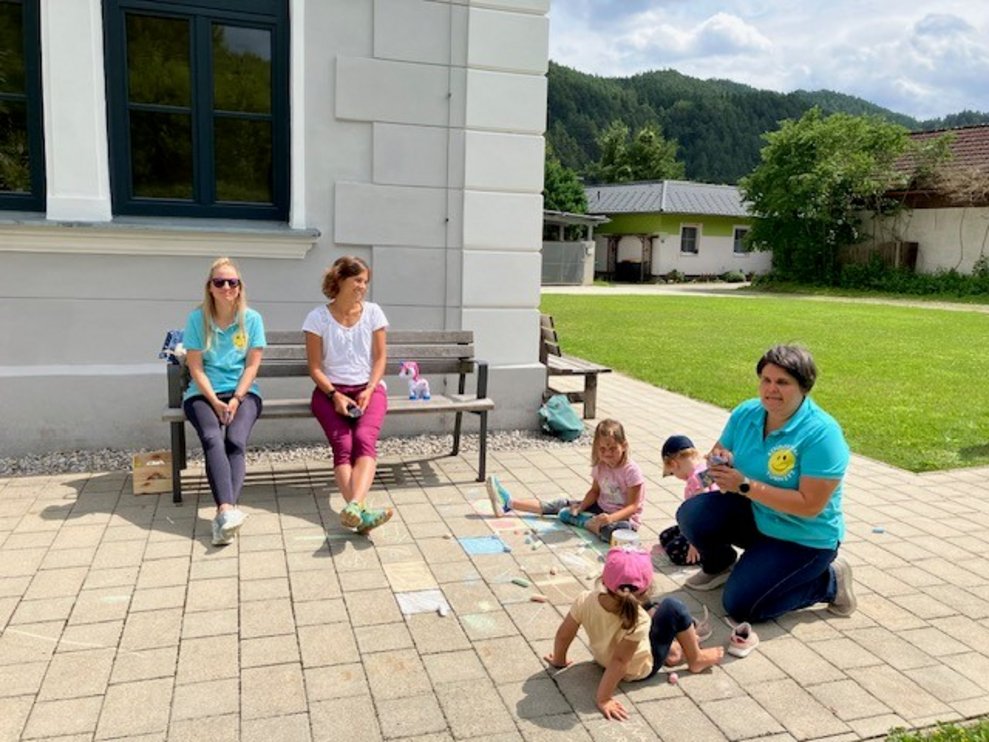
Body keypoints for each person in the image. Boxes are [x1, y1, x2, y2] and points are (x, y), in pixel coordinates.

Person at [676, 344, 856, 623]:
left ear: (804, 387)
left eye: (783, 382)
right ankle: (721, 566)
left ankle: (830, 581)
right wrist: (717, 464)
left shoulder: (822, 434)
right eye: (766, 380)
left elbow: (811, 506)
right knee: (692, 513)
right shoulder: (747, 413)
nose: (771, 389)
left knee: (742, 606)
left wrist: (744, 485)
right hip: (759, 517)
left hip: (804, 538)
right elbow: (718, 454)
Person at [544, 547, 724, 721]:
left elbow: (564, 634)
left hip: (602, 659)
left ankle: (674, 650)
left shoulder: (585, 599)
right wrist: (604, 698)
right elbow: (620, 661)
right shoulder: (638, 620)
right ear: (646, 588)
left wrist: (559, 660)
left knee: (654, 611)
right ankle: (696, 658)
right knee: (673, 607)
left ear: (604, 580)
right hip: (639, 670)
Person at [303, 256, 392, 534]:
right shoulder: (317, 318)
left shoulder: (374, 313)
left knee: (364, 439)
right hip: (330, 393)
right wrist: (335, 395)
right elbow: (315, 368)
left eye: (365, 281)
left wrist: (369, 388)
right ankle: (361, 514)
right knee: (343, 445)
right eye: (357, 280)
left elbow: (380, 359)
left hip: (369, 389)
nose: (362, 287)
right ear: (339, 280)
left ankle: (354, 506)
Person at [182, 257, 265, 546]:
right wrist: (215, 401)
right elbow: (196, 368)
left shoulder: (252, 319)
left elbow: (252, 367)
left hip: (244, 393)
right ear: (210, 287)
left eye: (233, 282)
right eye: (220, 282)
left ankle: (225, 516)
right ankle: (227, 511)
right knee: (212, 437)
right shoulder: (197, 319)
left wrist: (237, 398)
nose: (227, 287)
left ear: (240, 287)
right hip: (203, 394)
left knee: (236, 441)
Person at [486, 419, 644, 543]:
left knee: (616, 534)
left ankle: (586, 523)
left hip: (623, 518)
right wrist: (582, 506)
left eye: (612, 449)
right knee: (561, 505)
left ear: (623, 446)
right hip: (600, 508)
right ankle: (509, 504)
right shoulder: (601, 465)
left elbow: (633, 506)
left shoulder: (631, 471)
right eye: (602, 449)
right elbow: (595, 491)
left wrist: (610, 518)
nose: (607, 454)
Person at [657, 434, 718, 566]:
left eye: (672, 473)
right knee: (665, 536)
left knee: (673, 551)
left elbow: (702, 514)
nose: (676, 477)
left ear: (674, 464)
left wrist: (694, 544)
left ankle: (706, 555)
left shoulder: (697, 480)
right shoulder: (703, 469)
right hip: (712, 526)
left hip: (707, 530)